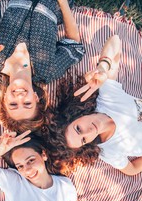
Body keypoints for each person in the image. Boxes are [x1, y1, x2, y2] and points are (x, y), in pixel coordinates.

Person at [0, 0, 84, 132]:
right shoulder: (48, 71)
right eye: (27, 104)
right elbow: (74, 45)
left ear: (5, 99)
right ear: (36, 98)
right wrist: (63, 3)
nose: (20, 97)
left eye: (13, 104)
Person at [45, 35, 142, 176]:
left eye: (79, 129)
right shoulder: (109, 151)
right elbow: (132, 170)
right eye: (84, 140)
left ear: (75, 116)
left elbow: (115, 40)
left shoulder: (106, 99)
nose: (89, 131)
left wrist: (103, 67)